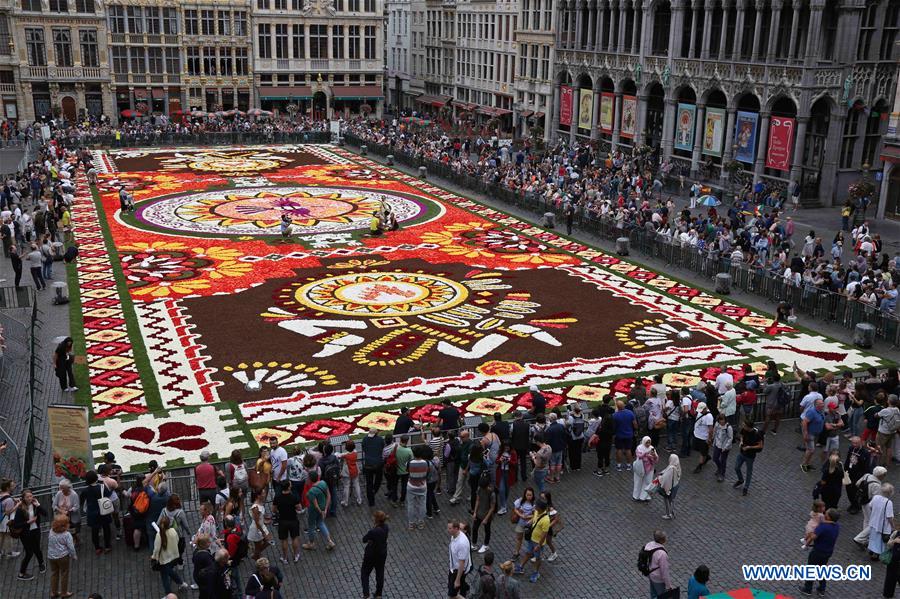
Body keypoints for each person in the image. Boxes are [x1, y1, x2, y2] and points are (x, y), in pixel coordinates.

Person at [800, 508, 840, 596]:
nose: (825, 513)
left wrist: (807, 539)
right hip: (828, 552)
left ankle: (807, 589)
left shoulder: (823, 527)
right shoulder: (837, 526)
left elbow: (813, 537)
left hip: (818, 551)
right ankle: (822, 589)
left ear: (829, 517)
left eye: (827, 513)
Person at [513, 498, 550, 583]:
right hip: (531, 538)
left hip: (538, 542)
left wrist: (539, 545)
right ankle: (521, 567)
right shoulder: (537, 512)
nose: (534, 506)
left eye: (536, 506)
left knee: (537, 558)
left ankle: (536, 573)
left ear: (540, 508)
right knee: (528, 552)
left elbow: (544, 534)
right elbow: (534, 518)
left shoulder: (546, 520)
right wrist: (530, 521)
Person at [12, 488, 45, 581]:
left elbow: (45, 513)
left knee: (37, 549)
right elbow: (16, 524)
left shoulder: (35, 505)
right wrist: (28, 522)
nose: (30, 498)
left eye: (31, 496)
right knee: (29, 553)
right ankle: (21, 573)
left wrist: (38, 505)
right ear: (23, 498)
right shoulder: (20, 509)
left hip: (36, 531)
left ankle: (41, 563)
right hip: (26, 534)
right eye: (27, 497)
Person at [151, 516, 189, 596]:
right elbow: (177, 540)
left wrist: (154, 557)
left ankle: (169, 592)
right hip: (174, 556)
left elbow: (157, 549)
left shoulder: (159, 535)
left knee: (165, 575)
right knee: (168, 572)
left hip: (164, 559)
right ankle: (180, 583)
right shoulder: (173, 531)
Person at [80, 470, 114, 555]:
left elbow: (81, 501)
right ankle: (107, 546)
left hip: (92, 513)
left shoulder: (85, 490)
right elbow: (108, 494)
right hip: (103, 511)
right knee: (106, 529)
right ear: (96, 478)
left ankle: (97, 548)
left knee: (94, 531)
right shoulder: (102, 487)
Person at [853, 466, 887, 546]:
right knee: (873, 523)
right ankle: (859, 538)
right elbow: (877, 499)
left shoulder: (867, 475)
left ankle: (865, 539)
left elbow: (857, 484)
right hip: (870, 504)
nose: (885, 476)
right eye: (884, 475)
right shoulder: (877, 485)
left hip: (863, 501)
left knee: (867, 520)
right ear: (880, 475)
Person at [303, 471, 336, 551]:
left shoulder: (311, 491)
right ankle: (330, 541)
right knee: (320, 523)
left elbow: (315, 504)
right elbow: (328, 496)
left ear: (310, 479)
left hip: (314, 510)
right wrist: (325, 509)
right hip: (323, 506)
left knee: (311, 525)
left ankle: (311, 543)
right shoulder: (323, 483)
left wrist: (320, 511)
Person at [272, 480, 301, 564]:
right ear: (288, 487)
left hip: (282, 520)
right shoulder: (293, 497)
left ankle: (284, 558)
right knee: (294, 537)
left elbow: (273, 509)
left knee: (284, 540)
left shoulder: (277, 497)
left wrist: (280, 510)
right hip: (293, 519)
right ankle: (295, 556)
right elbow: (299, 508)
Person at [47, 514, 76, 598]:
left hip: (51, 556)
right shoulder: (66, 535)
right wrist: (74, 556)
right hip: (63, 557)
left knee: (54, 573)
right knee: (64, 573)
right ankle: (64, 592)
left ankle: (54, 592)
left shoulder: (51, 531)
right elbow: (71, 547)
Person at [361, 510, 389, 599]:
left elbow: (364, 539)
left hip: (371, 555)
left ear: (376, 519)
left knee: (365, 573)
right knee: (380, 573)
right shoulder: (386, 527)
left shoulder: (373, 531)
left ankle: (366, 594)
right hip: (382, 554)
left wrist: (370, 540)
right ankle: (379, 594)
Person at [733, 418, 763, 496]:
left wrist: (749, 447)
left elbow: (760, 445)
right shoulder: (744, 430)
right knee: (736, 467)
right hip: (742, 452)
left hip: (750, 455)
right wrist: (741, 441)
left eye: (744, 425)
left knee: (749, 471)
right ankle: (740, 480)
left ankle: (746, 487)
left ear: (748, 427)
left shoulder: (757, 434)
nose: (742, 426)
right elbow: (742, 435)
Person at [867, 483, 896, 560]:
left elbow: (870, 506)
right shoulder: (888, 503)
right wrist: (893, 526)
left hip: (873, 521)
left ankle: (872, 550)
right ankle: (876, 554)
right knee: (880, 540)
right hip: (882, 525)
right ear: (890, 493)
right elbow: (889, 517)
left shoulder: (876, 497)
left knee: (873, 537)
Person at [643, 530, 673, 598]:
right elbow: (664, 571)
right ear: (663, 540)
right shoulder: (662, 554)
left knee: (653, 594)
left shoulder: (649, 544)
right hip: (658, 578)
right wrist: (668, 586)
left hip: (650, 573)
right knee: (661, 596)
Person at [471, 473, 496, 554]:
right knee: (475, 528)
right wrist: (475, 512)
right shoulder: (480, 489)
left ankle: (486, 545)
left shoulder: (492, 494)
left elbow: (492, 508)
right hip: (479, 512)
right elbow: (478, 500)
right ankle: (474, 544)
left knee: (487, 530)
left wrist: (486, 519)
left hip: (487, 514)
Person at [447, 520, 472, 599]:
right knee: (451, 588)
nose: (448, 530)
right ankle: (464, 587)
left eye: (450, 528)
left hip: (458, 570)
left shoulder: (462, 543)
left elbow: (462, 564)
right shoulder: (454, 535)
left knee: (452, 594)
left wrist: (457, 580)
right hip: (453, 568)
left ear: (456, 528)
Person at [52, 479, 81, 547]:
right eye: (60, 489)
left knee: (72, 531)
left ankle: (74, 541)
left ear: (68, 488)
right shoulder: (59, 493)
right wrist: (60, 510)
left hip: (71, 518)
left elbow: (76, 507)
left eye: (63, 489)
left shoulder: (74, 495)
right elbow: (54, 505)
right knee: (63, 532)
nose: (62, 491)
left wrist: (68, 511)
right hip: (61, 517)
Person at [406, 445, 428, 530]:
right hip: (422, 486)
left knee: (411, 505)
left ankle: (411, 523)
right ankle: (421, 523)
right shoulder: (425, 462)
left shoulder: (409, 463)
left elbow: (407, 471)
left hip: (411, 486)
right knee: (422, 505)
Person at [801, 399, 826, 473]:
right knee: (810, 450)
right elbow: (804, 422)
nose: (823, 404)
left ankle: (808, 464)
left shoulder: (821, 411)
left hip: (817, 434)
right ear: (816, 405)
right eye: (821, 404)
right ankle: (804, 464)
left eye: (823, 403)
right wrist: (805, 433)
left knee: (812, 449)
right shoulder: (812, 412)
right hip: (810, 434)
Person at [511, 487, 535, 559]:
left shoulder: (534, 504)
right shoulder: (520, 500)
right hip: (521, 523)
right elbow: (515, 509)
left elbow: (535, 515)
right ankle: (516, 552)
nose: (528, 497)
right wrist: (521, 515)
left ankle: (531, 552)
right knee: (519, 538)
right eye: (527, 495)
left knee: (529, 539)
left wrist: (527, 517)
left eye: (530, 495)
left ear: (533, 495)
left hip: (529, 524)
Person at [613, 400, 637, 472]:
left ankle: (619, 466)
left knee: (619, 450)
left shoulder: (615, 415)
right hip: (629, 435)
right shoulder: (630, 413)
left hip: (619, 435)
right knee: (628, 449)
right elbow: (635, 425)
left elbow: (614, 426)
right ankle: (629, 465)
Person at [0, 478, 21, 559]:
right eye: (12, 486)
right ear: (8, 488)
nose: (14, 486)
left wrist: (13, 499)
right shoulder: (8, 500)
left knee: (1, 536)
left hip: (0, 518)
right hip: (5, 520)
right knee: (7, 536)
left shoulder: (1, 494)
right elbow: (8, 512)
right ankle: (9, 552)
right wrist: (17, 505)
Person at [633, 436, 658, 502]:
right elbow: (639, 456)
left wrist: (653, 455)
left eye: (649, 442)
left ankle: (644, 496)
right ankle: (636, 496)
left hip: (649, 469)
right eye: (647, 443)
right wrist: (646, 454)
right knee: (638, 481)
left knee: (647, 482)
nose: (648, 444)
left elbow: (656, 458)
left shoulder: (652, 448)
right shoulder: (639, 448)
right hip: (640, 468)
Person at [247, 490, 270, 561]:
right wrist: (263, 533)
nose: (264, 494)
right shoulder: (256, 507)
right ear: (258, 496)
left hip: (261, 526)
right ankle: (256, 556)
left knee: (268, 541)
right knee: (259, 545)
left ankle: (256, 554)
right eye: (263, 493)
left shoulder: (260, 503)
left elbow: (259, 519)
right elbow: (256, 522)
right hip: (256, 529)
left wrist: (264, 521)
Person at [338, 439, 362, 507]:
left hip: (347, 471)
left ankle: (345, 502)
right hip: (355, 470)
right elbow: (352, 449)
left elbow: (338, 455)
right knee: (357, 485)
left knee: (346, 486)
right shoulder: (355, 452)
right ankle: (359, 500)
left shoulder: (345, 454)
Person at [658, 454, 681, 520]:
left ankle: (668, 514)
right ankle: (672, 510)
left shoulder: (671, 468)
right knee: (672, 499)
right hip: (675, 485)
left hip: (670, 487)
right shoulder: (677, 466)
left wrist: (660, 478)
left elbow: (665, 478)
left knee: (666, 500)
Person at [692, 403, 713, 473]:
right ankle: (706, 456)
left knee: (702, 452)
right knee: (699, 450)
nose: (700, 411)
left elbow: (710, 429)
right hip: (697, 435)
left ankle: (699, 466)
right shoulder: (700, 413)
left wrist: (709, 439)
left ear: (705, 408)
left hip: (703, 438)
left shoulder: (709, 417)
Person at [191, 534, 214, 599]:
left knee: (202, 592)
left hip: (197, 575)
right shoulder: (206, 556)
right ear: (203, 545)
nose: (210, 542)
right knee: (206, 593)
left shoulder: (196, 551)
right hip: (204, 579)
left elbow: (193, 560)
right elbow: (212, 567)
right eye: (208, 542)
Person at [711, 414, 733, 482]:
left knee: (723, 460)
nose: (721, 421)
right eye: (720, 420)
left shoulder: (728, 427)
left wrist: (726, 447)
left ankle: (722, 474)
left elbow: (730, 438)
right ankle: (719, 468)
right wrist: (713, 440)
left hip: (724, 447)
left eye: (722, 420)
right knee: (715, 458)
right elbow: (714, 432)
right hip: (718, 444)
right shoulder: (717, 424)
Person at [510, 410, 530, 483]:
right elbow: (529, 434)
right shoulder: (527, 424)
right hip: (524, 446)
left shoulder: (513, 425)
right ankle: (524, 477)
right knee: (523, 462)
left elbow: (511, 434)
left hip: (515, 446)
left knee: (515, 462)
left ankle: (515, 478)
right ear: (521, 416)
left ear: (515, 417)